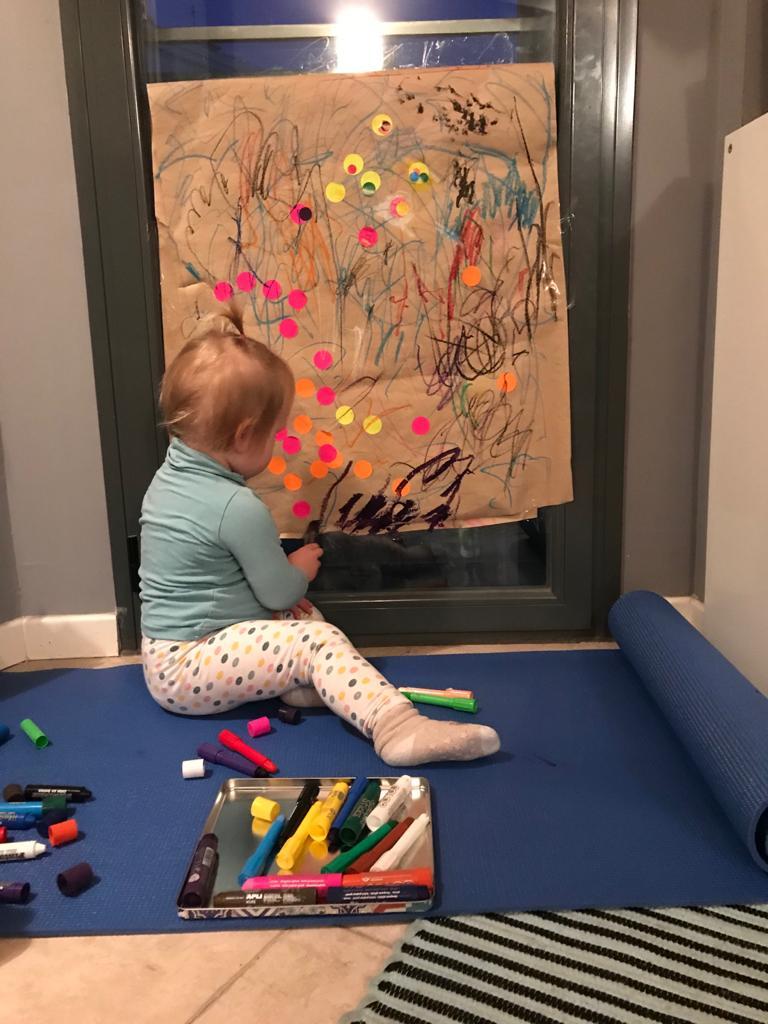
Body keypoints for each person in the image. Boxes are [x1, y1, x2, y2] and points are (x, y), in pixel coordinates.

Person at [139, 331, 500, 766]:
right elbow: (279, 592)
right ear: (244, 436)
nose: (276, 444)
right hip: (189, 666)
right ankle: (397, 729)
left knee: (303, 618)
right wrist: (298, 569)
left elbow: (213, 580)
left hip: (166, 653)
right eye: (274, 435)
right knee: (317, 638)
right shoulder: (236, 506)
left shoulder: (169, 480)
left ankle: (305, 686)